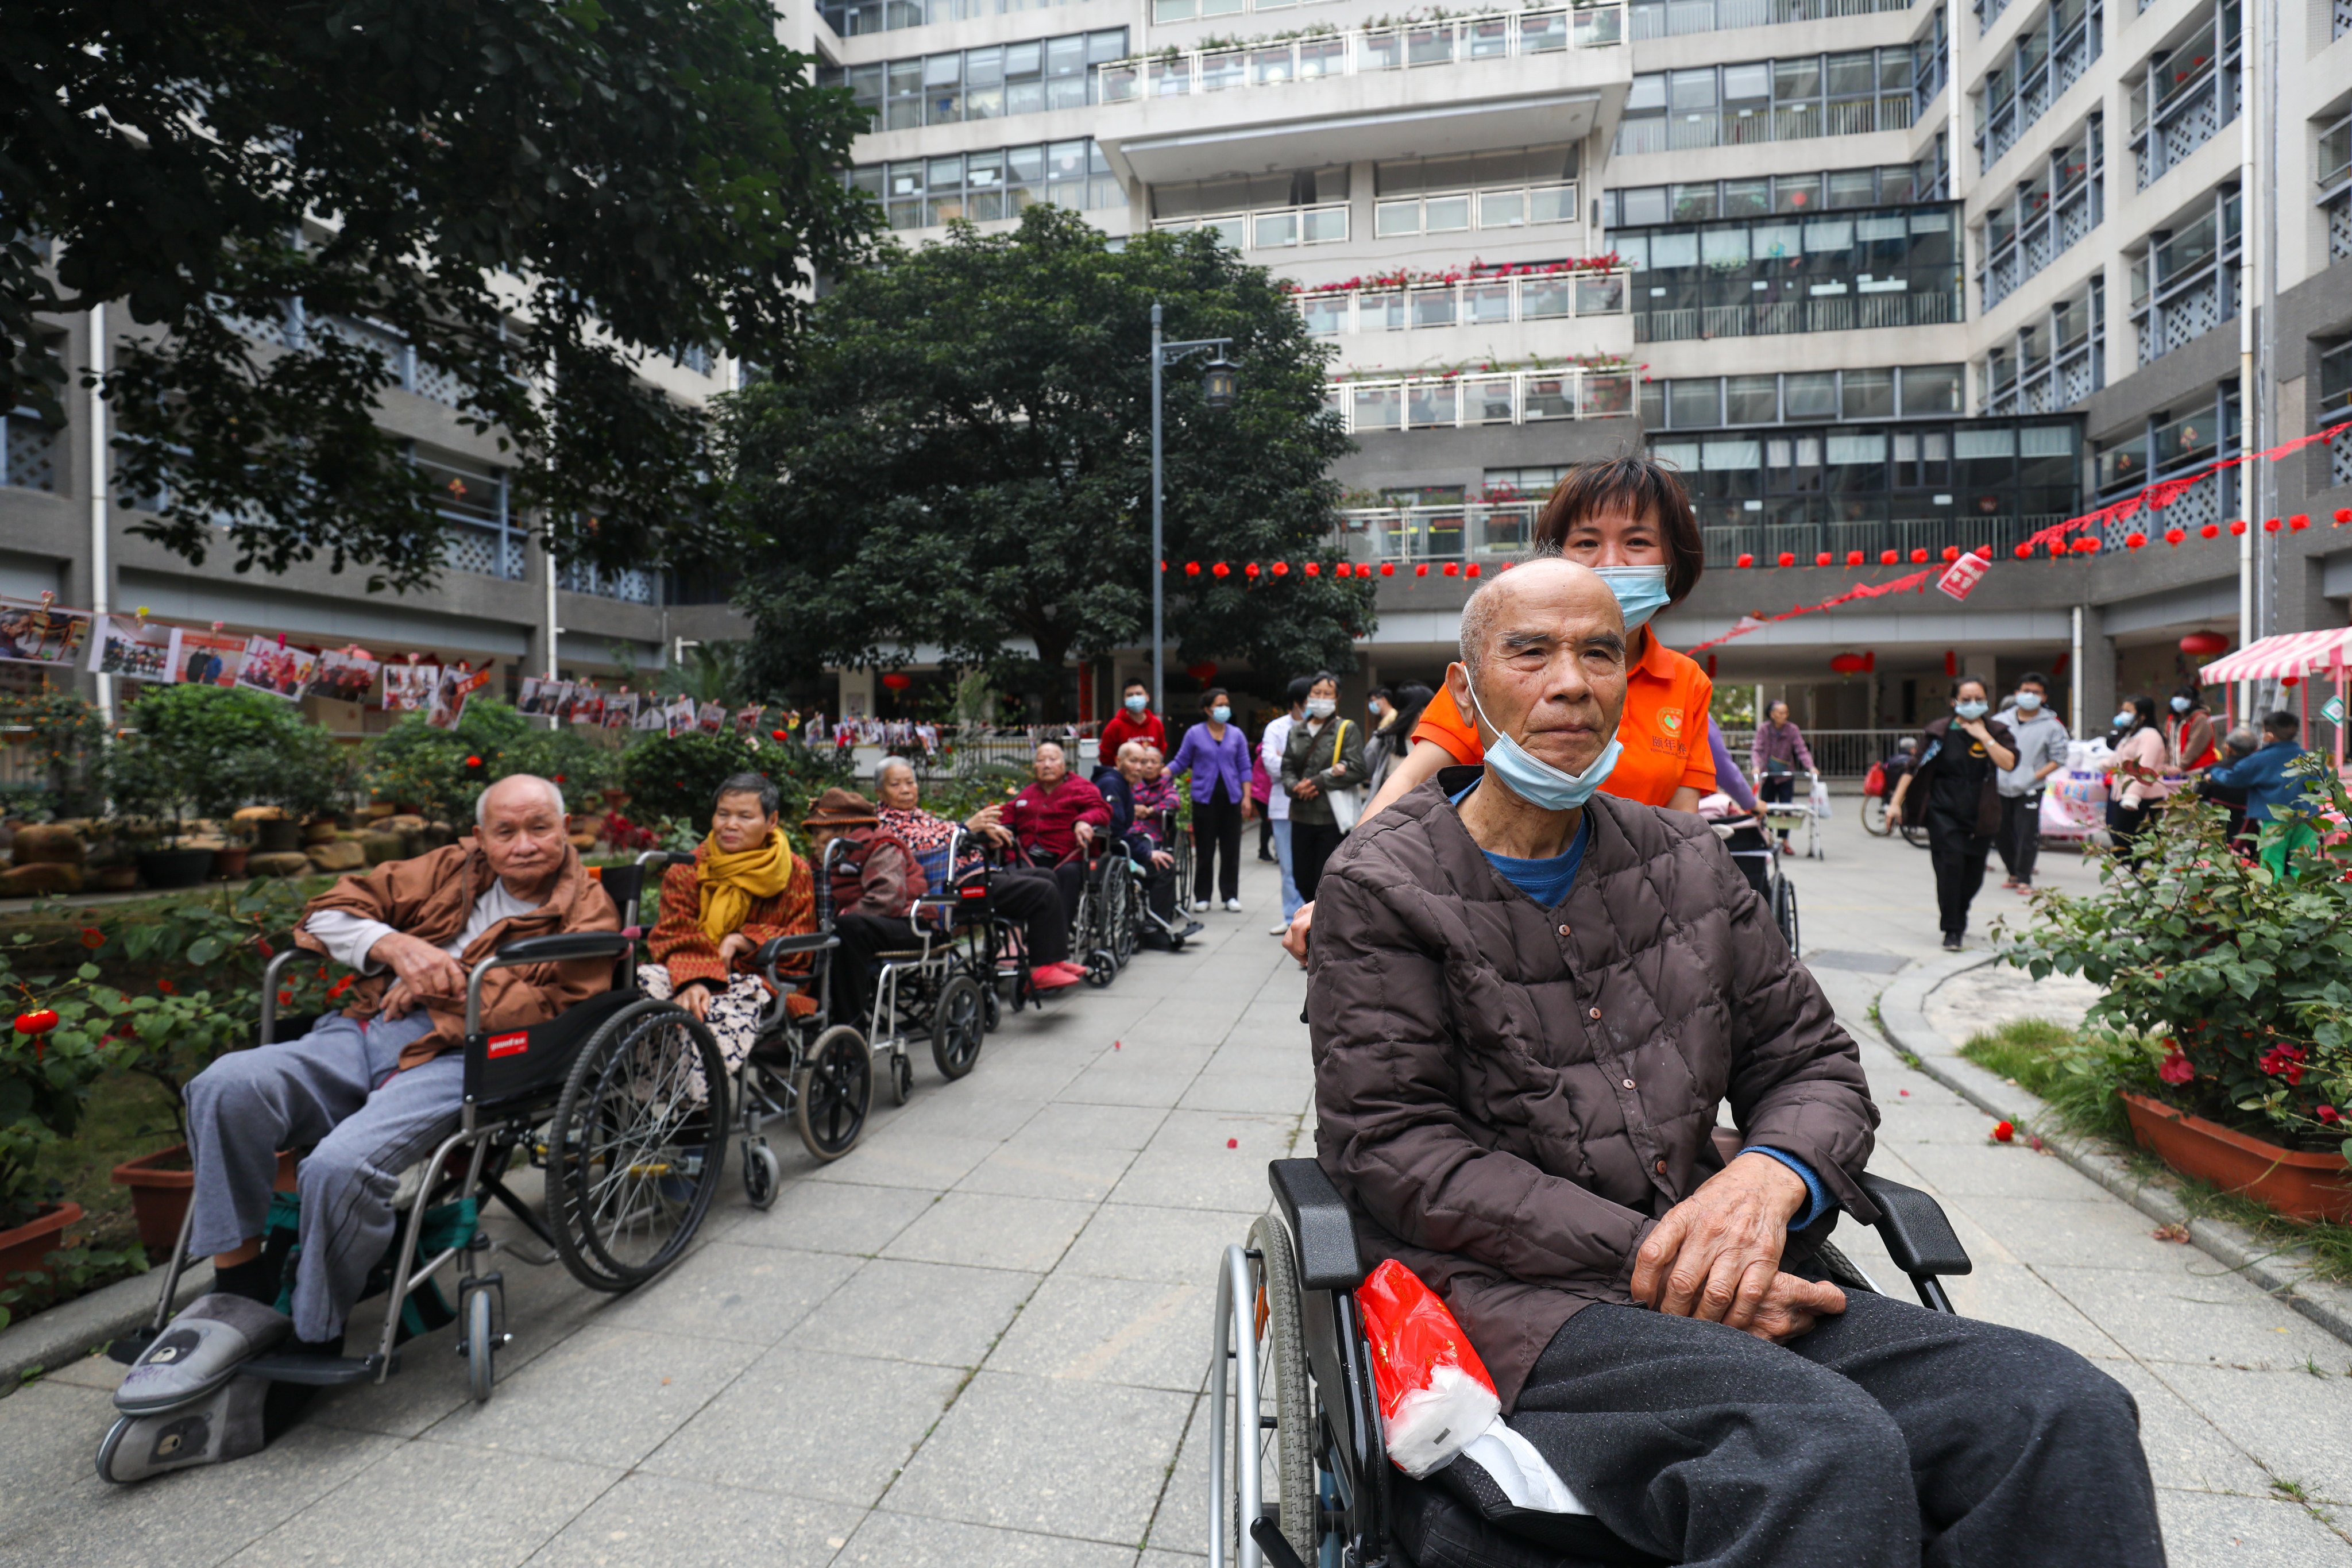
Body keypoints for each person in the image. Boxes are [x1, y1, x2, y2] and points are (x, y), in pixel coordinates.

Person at [1307, 556, 2160, 1568]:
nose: (1570, 681)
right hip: (1517, 1306)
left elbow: (1812, 1065)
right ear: (1466, 690)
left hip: (1736, 1262)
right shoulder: (1384, 882)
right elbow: (1397, 1150)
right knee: (1816, 1452)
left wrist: (1772, 1176)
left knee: (2059, 1409)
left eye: (1599, 652)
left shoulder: (1686, 861)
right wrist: (1660, 1259)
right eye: (1529, 652)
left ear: (1630, 678)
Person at [106, 775, 618, 1481]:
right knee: (225, 1085)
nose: (524, 845)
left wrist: (450, 979)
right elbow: (325, 914)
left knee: (341, 1166)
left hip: (468, 1054)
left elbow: (558, 1008)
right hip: (368, 1025)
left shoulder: (586, 904)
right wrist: (395, 949)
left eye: (539, 828)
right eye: (506, 831)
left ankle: (315, 1331)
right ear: (482, 835)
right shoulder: (444, 868)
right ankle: (243, 1285)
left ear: (566, 831)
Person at [1283, 456, 1716, 961]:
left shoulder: (1685, 682)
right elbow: (1404, 785)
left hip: (1630, 931)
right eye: (1586, 542)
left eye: (1637, 542)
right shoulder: (1499, 671)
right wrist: (1342, 889)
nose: (1608, 562)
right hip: (1495, 927)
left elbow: (1683, 831)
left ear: (1673, 559)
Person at [638, 773, 817, 1068]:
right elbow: (675, 931)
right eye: (723, 814)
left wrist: (744, 940)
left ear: (771, 821)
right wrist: (694, 980)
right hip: (688, 971)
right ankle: (653, 1100)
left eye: (745, 816)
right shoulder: (688, 868)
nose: (730, 825)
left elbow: (801, 941)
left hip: (763, 979)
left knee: (707, 1017)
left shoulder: (793, 872)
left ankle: (699, 1103)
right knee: (642, 991)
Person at [872, 757, 1083, 991]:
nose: (905, 790)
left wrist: (985, 833)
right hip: (949, 889)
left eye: (910, 783)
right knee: (1041, 890)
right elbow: (924, 846)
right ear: (880, 792)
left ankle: (1052, 959)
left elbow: (947, 832)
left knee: (1045, 876)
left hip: (970, 875)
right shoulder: (885, 823)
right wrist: (966, 829)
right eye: (896, 785)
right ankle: (1038, 970)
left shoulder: (916, 814)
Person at [1886, 678, 2018, 950]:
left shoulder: (1997, 730)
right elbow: (1913, 768)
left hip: (1982, 812)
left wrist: (1984, 737)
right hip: (1943, 811)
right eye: (1966, 699)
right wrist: (1896, 803)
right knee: (1950, 869)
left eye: (1979, 699)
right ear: (1954, 701)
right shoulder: (1939, 733)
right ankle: (1953, 929)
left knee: (1974, 875)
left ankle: (1960, 910)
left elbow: (2009, 763)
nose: (1973, 705)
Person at [801, 787, 926, 1019]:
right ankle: (803, 1020)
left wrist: (836, 920)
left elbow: (887, 900)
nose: (813, 843)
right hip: (857, 926)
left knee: (845, 929)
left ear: (845, 829)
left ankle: (849, 1030)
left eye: (819, 834)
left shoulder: (881, 846)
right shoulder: (825, 858)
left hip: (907, 924)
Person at [998, 739, 1113, 947]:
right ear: (1034, 767)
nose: (1047, 765)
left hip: (1068, 857)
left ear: (1064, 764)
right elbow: (1008, 814)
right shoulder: (1028, 793)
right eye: (1041, 760)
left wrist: (1084, 821)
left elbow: (1101, 809)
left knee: (1068, 876)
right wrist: (1000, 828)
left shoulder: (1081, 788)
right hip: (1029, 857)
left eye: (1053, 759)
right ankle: (1013, 942)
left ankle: (1054, 943)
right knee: (1010, 876)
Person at [1281, 670, 1370, 903]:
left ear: (1337, 698)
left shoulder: (1345, 729)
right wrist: (1295, 787)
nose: (1321, 698)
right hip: (1300, 815)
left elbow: (1359, 769)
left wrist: (1319, 782)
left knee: (1325, 878)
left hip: (1331, 818)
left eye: (1327, 694)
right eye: (1316, 693)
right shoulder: (1296, 731)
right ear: (1308, 696)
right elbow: (1287, 768)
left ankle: (1319, 930)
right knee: (1301, 878)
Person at [1167, 688, 1253, 912]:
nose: (1224, 708)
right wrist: (1160, 773)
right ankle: (1202, 896)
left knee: (1231, 850)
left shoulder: (1236, 735)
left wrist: (1247, 797)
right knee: (1205, 851)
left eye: (1226, 704)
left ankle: (1230, 895)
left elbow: (1245, 767)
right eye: (1219, 704)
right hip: (1204, 800)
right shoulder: (1194, 733)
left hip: (1232, 799)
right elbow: (1180, 761)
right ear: (1207, 709)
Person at [2204, 710, 2319, 874]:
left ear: (2269, 735)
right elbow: (2321, 784)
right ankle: (2303, 897)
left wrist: (2214, 775)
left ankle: (2273, 898)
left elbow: (2234, 777)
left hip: (2276, 820)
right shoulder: (2309, 757)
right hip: (2308, 819)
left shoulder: (2261, 759)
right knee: (2303, 865)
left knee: (2272, 865)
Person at [1994, 671, 2070, 892]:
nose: (2030, 696)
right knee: (2001, 833)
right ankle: (2013, 873)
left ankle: (2025, 878)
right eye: (2026, 691)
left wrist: (2033, 777)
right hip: (2000, 786)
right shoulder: (1999, 722)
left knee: (2027, 833)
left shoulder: (2052, 726)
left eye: (2036, 693)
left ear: (2044, 697)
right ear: (2017, 693)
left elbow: (2058, 758)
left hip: (2030, 787)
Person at [1260, 677, 1310, 930]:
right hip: (1283, 806)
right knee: (1289, 866)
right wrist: (1300, 768)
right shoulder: (1276, 728)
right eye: (1309, 700)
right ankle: (1292, 918)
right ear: (1297, 702)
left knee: (1313, 863)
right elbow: (1270, 763)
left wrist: (1289, 763)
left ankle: (1316, 917)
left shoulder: (1326, 728)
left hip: (1315, 806)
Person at [2102, 694, 2171, 857]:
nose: (2123, 715)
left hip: (2142, 797)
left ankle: (2139, 872)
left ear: (2142, 715)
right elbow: (2122, 758)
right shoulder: (2132, 734)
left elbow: (2145, 768)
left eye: (2128, 711)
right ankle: (2136, 872)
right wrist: (2103, 765)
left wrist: (2133, 796)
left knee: (2135, 838)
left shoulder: (2150, 737)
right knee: (2122, 834)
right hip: (2123, 792)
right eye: (2123, 710)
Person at [1750, 699, 1814, 848]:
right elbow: (1757, 750)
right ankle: (1768, 838)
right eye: (1780, 713)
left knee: (1787, 808)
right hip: (1768, 775)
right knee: (1766, 808)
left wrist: (1810, 767)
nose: (1784, 716)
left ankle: (1785, 840)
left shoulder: (1792, 730)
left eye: (1786, 713)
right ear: (1772, 714)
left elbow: (1801, 750)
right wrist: (1756, 767)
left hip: (1785, 775)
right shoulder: (1764, 730)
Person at [2190, 724, 2262, 851]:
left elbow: (2197, 801)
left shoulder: (2211, 771)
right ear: (2256, 749)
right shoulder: (2262, 773)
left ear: (2228, 748)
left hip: (2219, 837)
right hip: (2254, 838)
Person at [1099, 677, 1167, 758]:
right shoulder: (1115, 726)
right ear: (1124, 699)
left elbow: (1161, 752)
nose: (1135, 698)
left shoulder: (1156, 724)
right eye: (1130, 695)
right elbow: (1105, 755)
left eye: (1139, 694)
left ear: (1147, 697)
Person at [2169, 685, 2218, 771]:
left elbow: (2195, 745)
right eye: (2178, 697)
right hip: (2177, 770)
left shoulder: (2200, 719)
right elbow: (2168, 743)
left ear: (2194, 701)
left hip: (2197, 769)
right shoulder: (2172, 720)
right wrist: (2167, 765)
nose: (2179, 700)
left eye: (2184, 698)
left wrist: (2181, 766)